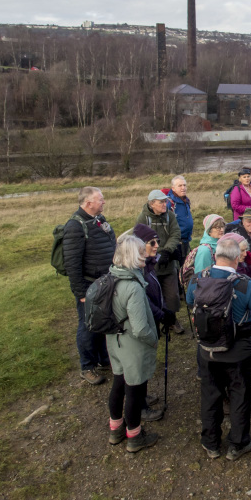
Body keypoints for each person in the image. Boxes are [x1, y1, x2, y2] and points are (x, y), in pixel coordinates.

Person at [186, 237, 251, 461]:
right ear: (236, 259)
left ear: (215, 256)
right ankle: (238, 443)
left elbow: (188, 299)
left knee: (210, 396)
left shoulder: (197, 279)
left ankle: (211, 442)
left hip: (207, 349)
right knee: (240, 395)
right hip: (239, 351)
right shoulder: (243, 283)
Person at [105, 234, 160, 453]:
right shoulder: (133, 287)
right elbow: (139, 328)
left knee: (118, 384)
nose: (145, 255)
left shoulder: (111, 277)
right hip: (132, 345)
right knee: (134, 390)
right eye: (141, 252)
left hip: (114, 341)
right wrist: (152, 340)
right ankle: (135, 436)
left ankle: (115, 429)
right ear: (132, 256)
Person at [63, 186, 116, 385]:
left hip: (104, 283)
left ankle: (103, 359)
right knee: (87, 326)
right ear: (88, 203)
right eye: (100, 199)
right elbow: (72, 264)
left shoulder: (100, 220)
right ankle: (87, 366)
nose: (103, 202)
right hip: (89, 286)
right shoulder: (74, 226)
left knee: (103, 322)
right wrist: (81, 292)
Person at [132, 223, 175, 420]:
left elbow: (155, 293)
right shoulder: (138, 270)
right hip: (141, 325)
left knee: (146, 361)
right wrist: (162, 314)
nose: (157, 245)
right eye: (152, 242)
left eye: (157, 241)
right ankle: (139, 406)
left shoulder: (148, 265)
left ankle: (142, 396)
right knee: (139, 364)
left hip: (152, 320)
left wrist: (164, 309)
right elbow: (144, 302)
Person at [136, 190, 184, 334]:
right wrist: (155, 253)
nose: (165, 204)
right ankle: (156, 321)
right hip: (150, 265)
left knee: (172, 295)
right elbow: (139, 238)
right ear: (152, 204)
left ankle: (172, 320)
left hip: (168, 262)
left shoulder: (169, 215)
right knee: (153, 295)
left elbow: (176, 233)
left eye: (165, 201)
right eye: (161, 202)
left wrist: (167, 251)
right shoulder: (143, 218)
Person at [166, 175, 193, 265]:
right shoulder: (169, 203)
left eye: (184, 185)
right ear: (173, 188)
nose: (183, 188)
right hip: (176, 244)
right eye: (180, 186)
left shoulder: (186, 200)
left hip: (186, 242)